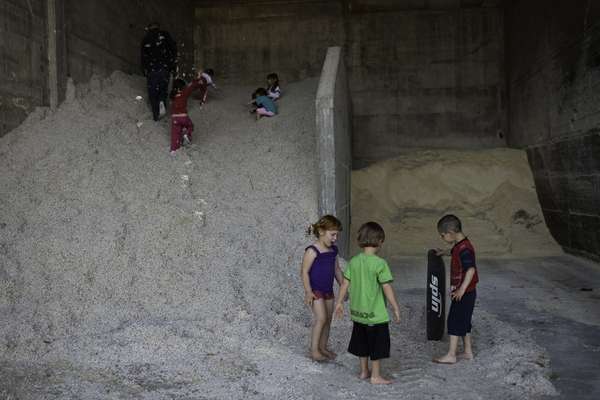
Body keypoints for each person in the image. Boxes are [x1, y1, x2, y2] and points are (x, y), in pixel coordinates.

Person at [335, 222, 401, 385]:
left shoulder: (354, 261)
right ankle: (375, 376)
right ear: (379, 241)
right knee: (377, 346)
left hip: (358, 314)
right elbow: (386, 287)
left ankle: (364, 371)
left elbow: (344, 283)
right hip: (375, 315)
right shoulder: (380, 264)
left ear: (360, 240)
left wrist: (339, 302)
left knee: (362, 343)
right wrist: (395, 306)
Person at [433, 214, 479, 365]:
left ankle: (451, 355)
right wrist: (444, 252)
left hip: (463, 293)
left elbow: (471, 269)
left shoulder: (465, 249)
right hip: (466, 293)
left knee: (453, 321)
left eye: (442, 235)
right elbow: (454, 252)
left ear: (451, 233)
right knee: (464, 322)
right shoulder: (461, 245)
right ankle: (467, 352)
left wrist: (461, 290)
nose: (442, 237)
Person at [301, 215, 344, 361]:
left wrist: (344, 287)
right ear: (321, 231)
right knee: (321, 318)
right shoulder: (312, 251)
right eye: (332, 234)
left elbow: (337, 270)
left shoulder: (333, 251)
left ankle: (323, 347)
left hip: (328, 290)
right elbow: (304, 272)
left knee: (328, 319)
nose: (335, 238)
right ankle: (314, 350)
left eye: (337, 235)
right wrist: (308, 291)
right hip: (316, 291)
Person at [140, 22, 177, 121]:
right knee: (163, 87)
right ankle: (161, 101)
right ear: (158, 27)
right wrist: (172, 65)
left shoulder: (146, 39)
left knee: (152, 91)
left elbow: (143, 56)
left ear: (149, 28)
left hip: (152, 69)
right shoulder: (165, 35)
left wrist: (144, 69)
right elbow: (173, 49)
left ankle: (156, 114)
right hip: (164, 67)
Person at [168, 72, 203, 154]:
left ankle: (174, 149)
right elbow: (191, 86)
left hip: (174, 118)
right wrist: (197, 78)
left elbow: (171, 105)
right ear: (182, 86)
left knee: (175, 134)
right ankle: (186, 134)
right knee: (190, 125)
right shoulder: (184, 93)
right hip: (183, 116)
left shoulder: (172, 95)